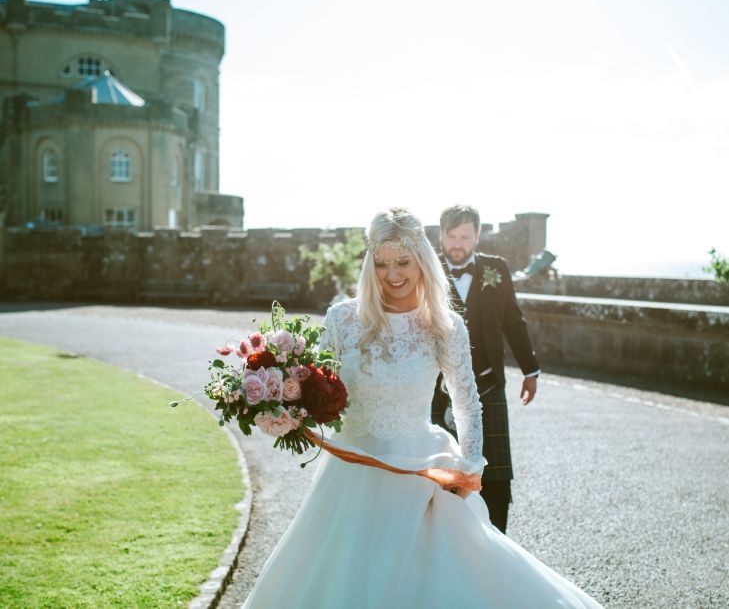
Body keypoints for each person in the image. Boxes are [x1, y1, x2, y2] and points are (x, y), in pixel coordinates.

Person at [242, 208, 602, 608]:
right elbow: (314, 386)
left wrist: (470, 465)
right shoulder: (342, 319)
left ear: (421, 259)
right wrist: (281, 406)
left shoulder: (444, 326)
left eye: (402, 262)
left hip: (419, 472)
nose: (392, 274)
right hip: (351, 471)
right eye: (381, 263)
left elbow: (467, 402)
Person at [431, 204, 539, 533]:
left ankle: (496, 543)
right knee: (441, 474)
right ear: (442, 236)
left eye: (465, 236)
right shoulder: (426, 269)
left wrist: (530, 370)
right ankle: (445, 545)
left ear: (477, 236)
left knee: (496, 473)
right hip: (437, 390)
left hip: (487, 386)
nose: (458, 244)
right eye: (451, 237)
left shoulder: (497, 269)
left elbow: (513, 320)